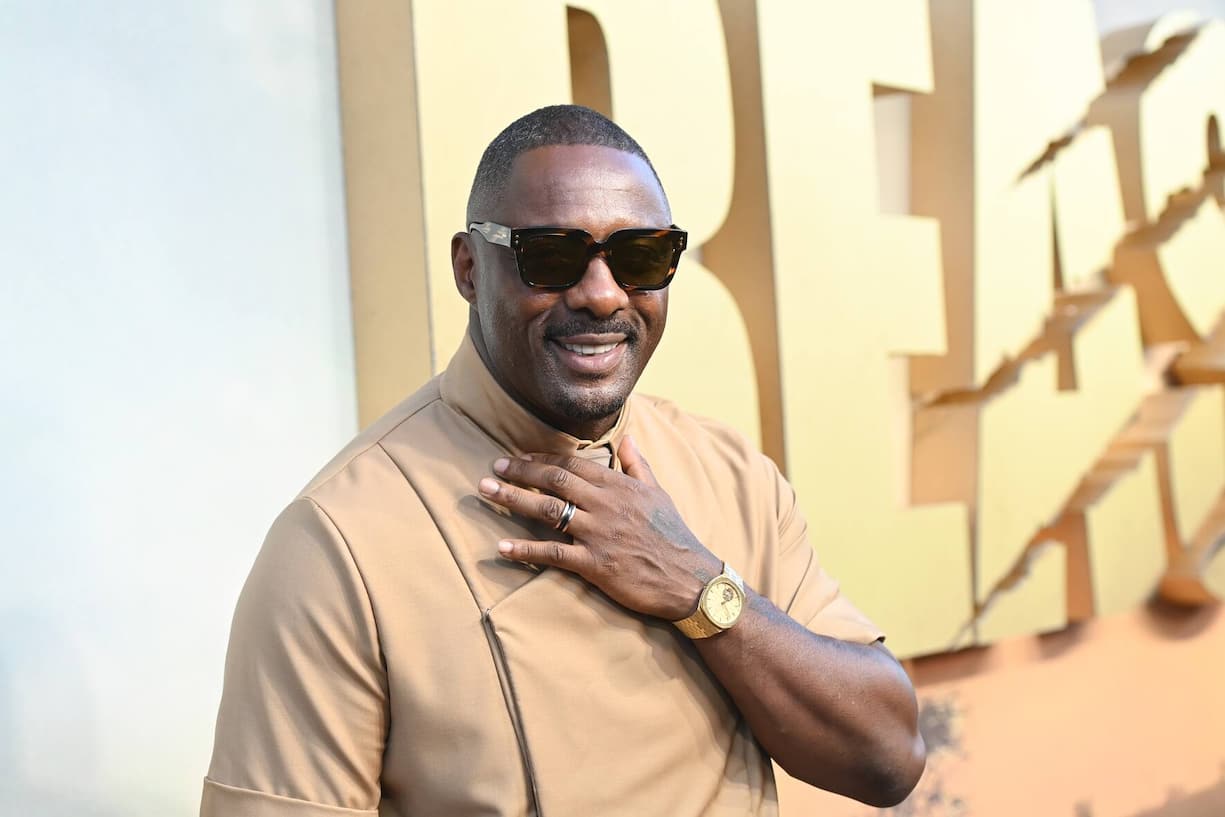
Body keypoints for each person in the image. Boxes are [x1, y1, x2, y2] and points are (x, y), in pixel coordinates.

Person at [201, 104, 925, 817]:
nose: (603, 294)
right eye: (550, 256)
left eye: (641, 257)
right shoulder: (339, 540)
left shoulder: (728, 470)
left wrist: (701, 590)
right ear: (468, 266)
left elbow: (887, 755)